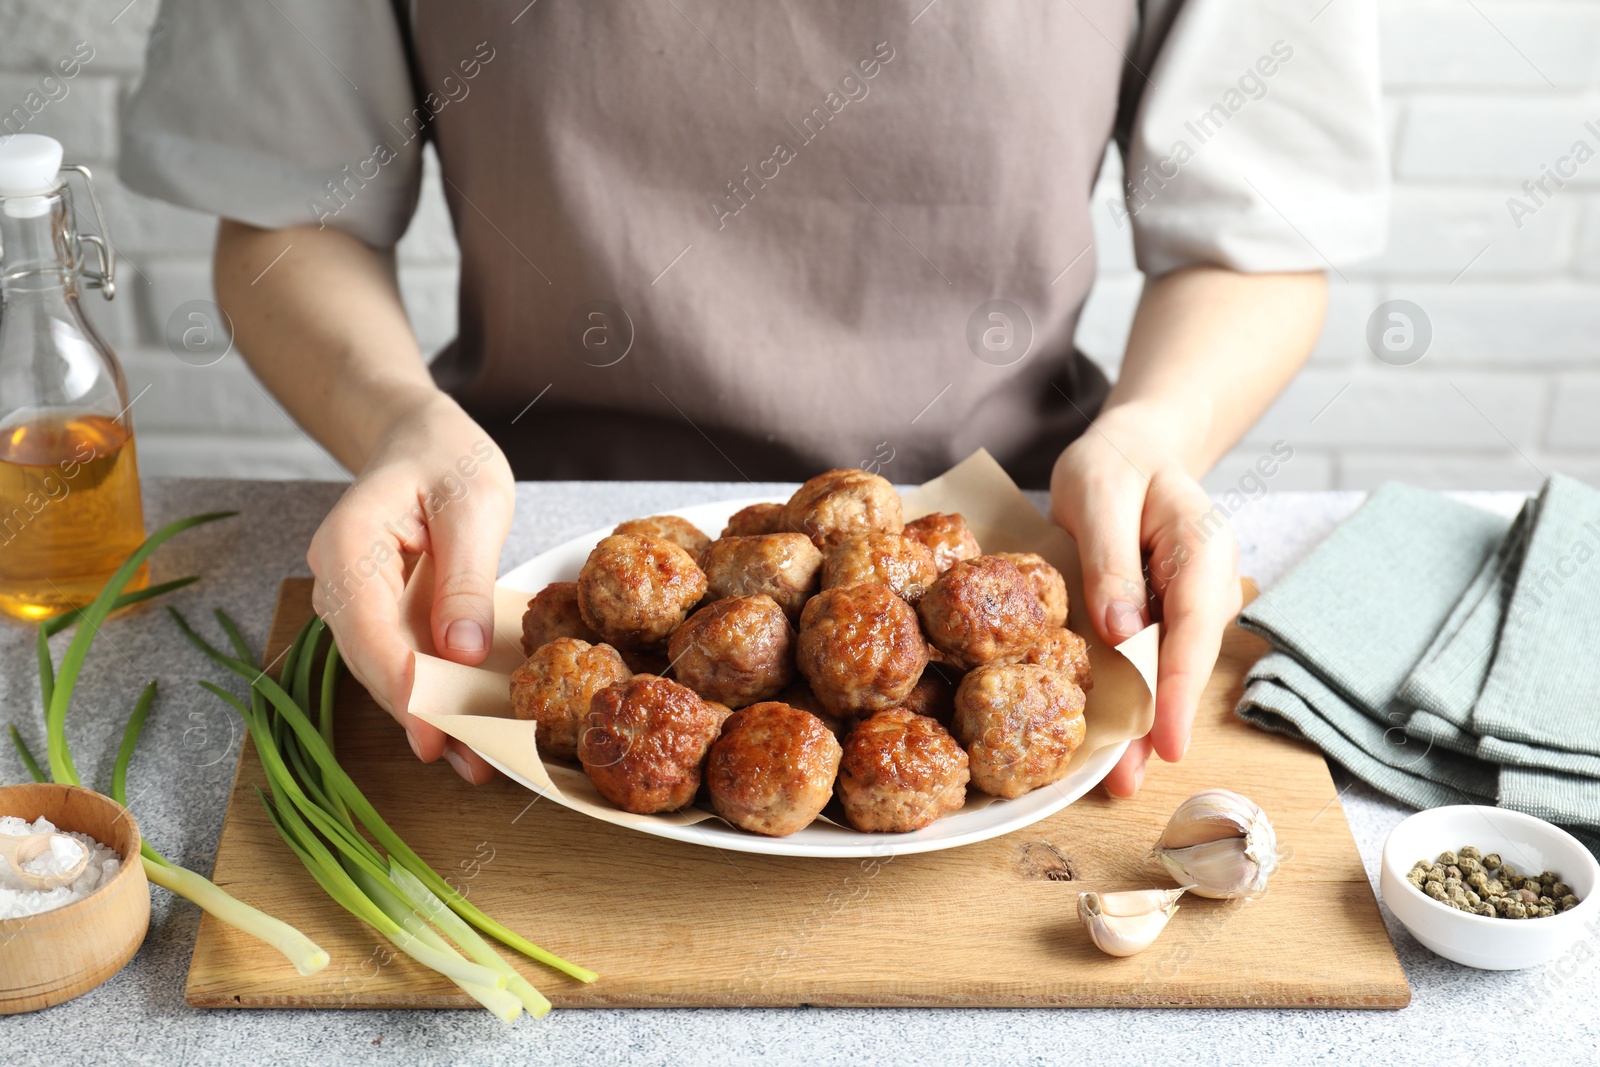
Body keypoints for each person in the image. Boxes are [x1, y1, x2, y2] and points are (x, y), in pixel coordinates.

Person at [121, 0, 1386, 793]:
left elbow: (1249, 237)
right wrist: (397, 422)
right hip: (510, 543)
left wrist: (1153, 436)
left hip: (1022, 513)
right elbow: (289, 216)